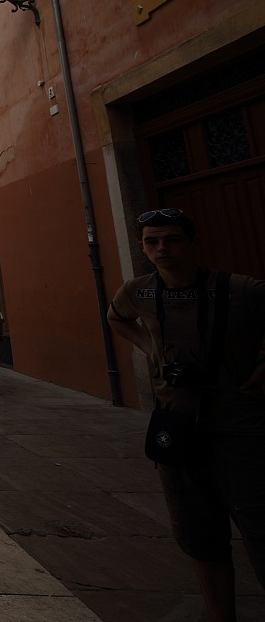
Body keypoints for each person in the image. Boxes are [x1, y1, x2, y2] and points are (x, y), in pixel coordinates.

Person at [107, 209, 265, 620]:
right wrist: (149, 348)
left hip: (241, 432)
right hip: (176, 431)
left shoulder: (240, 290)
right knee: (200, 540)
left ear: (195, 244)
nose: (163, 249)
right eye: (152, 242)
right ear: (142, 248)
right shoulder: (138, 292)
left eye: (173, 240)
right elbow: (116, 318)